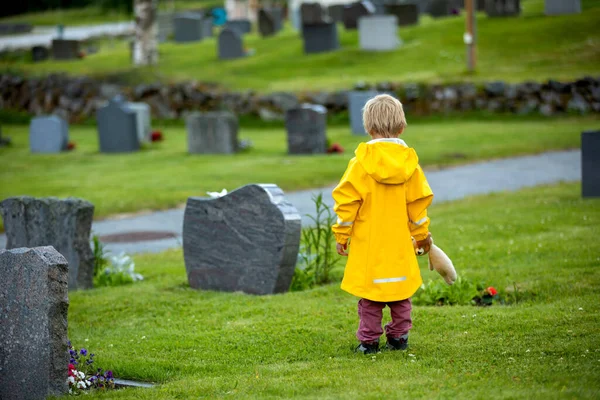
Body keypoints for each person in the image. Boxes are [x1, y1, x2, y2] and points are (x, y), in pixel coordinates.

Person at [332, 94, 434, 354]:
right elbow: (418, 206)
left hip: (370, 245)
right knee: (401, 295)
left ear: (368, 127)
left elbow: (347, 204)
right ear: (401, 127)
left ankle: (368, 342)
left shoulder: (359, 165)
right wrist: (421, 236)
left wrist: (341, 235)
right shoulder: (410, 165)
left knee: (370, 297)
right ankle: (399, 338)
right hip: (400, 245)